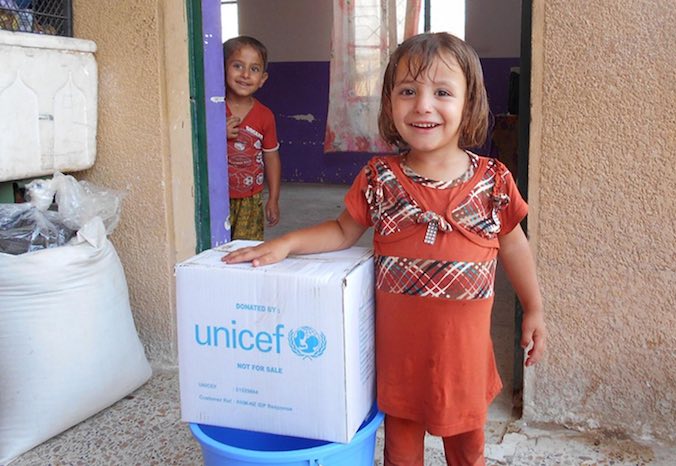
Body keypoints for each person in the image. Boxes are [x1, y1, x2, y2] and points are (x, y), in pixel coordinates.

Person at [222, 32, 547, 466]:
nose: (423, 105)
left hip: (463, 362)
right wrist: (285, 244)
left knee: (468, 454)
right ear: (389, 103)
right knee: (400, 452)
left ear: (469, 104)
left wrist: (534, 308)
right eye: (407, 91)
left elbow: (514, 244)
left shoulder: (493, 181)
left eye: (443, 92)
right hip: (400, 362)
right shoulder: (380, 178)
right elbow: (341, 231)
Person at [223, 35, 281, 240]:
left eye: (254, 69)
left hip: (251, 197)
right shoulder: (212, 111)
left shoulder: (265, 116)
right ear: (222, 68)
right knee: (213, 251)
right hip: (216, 196)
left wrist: (273, 198)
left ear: (262, 79)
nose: (246, 75)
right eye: (238, 66)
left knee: (246, 250)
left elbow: (271, 158)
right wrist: (217, 136)